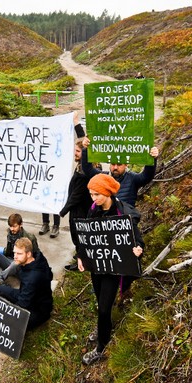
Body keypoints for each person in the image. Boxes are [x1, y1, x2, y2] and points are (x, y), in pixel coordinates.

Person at [78, 174, 145, 365]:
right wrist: (81, 256)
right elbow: (86, 236)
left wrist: (138, 249)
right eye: (91, 194)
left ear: (107, 193)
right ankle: (102, 327)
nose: (94, 198)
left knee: (105, 307)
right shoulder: (93, 209)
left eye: (97, 194)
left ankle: (101, 347)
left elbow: (137, 240)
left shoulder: (123, 213)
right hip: (97, 266)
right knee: (100, 302)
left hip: (114, 269)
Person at [0, 238, 53, 330]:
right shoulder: (39, 257)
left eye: (19, 254)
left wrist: (5, 313)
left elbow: (22, 306)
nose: (15, 257)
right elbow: (50, 275)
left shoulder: (31, 279)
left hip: (39, 310)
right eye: (14, 253)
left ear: (28, 254)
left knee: (10, 323)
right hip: (29, 295)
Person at [80, 137, 159, 207]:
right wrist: (86, 150)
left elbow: (146, 176)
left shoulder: (132, 178)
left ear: (126, 165)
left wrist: (152, 158)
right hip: (107, 217)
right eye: (113, 164)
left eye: (119, 164)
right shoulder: (103, 177)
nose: (115, 167)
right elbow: (88, 169)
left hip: (126, 217)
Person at [60, 139, 93, 271]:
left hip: (81, 210)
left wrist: (63, 210)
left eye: (78, 151)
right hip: (78, 208)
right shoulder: (81, 166)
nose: (75, 153)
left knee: (79, 235)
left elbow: (77, 195)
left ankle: (81, 262)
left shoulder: (84, 172)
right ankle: (80, 255)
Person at [0, 213, 39, 285]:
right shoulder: (10, 234)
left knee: (16, 262)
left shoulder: (30, 238)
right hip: (10, 262)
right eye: (10, 226)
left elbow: (36, 256)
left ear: (21, 224)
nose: (12, 229)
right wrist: (0, 256)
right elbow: (8, 251)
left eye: (14, 226)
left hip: (22, 268)